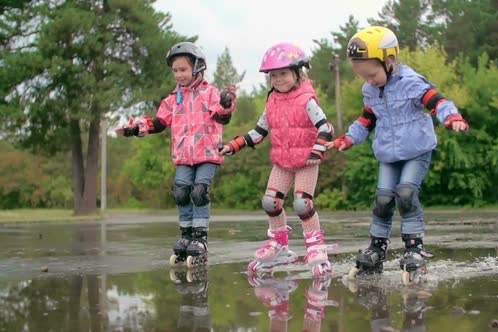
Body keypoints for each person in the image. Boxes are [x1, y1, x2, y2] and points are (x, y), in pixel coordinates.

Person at [326, 26, 469, 283]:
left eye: (372, 74)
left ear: (389, 61)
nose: (369, 81)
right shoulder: (370, 90)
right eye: (363, 76)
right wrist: (348, 138)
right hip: (388, 154)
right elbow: (366, 119)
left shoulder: (411, 82)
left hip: (417, 150)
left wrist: (452, 117)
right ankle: (377, 250)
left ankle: (415, 249)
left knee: (406, 193)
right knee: (382, 200)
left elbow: (438, 102)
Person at [116, 42, 237, 268]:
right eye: (175, 70)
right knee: (181, 192)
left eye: (183, 69)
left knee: (199, 191)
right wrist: (134, 129)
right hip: (183, 156)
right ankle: (186, 235)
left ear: (198, 68)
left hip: (208, 153)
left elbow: (222, 117)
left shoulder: (210, 93)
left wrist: (226, 103)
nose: (179, 74)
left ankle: (200, 239)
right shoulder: (173, 99)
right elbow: (159, 123)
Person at [219, 42, 334, 278]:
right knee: (270, 203)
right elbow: (259, 132)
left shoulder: (306, 99)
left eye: (283, 73)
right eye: (274, 75)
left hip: (306, 161)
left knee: (302, 204)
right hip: (282, 161)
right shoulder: (272, 102)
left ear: (297, 72)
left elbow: (325, 127)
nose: (278, 79)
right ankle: (279, 244)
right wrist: (234, 145)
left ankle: (315, 246)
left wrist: (318, 150)